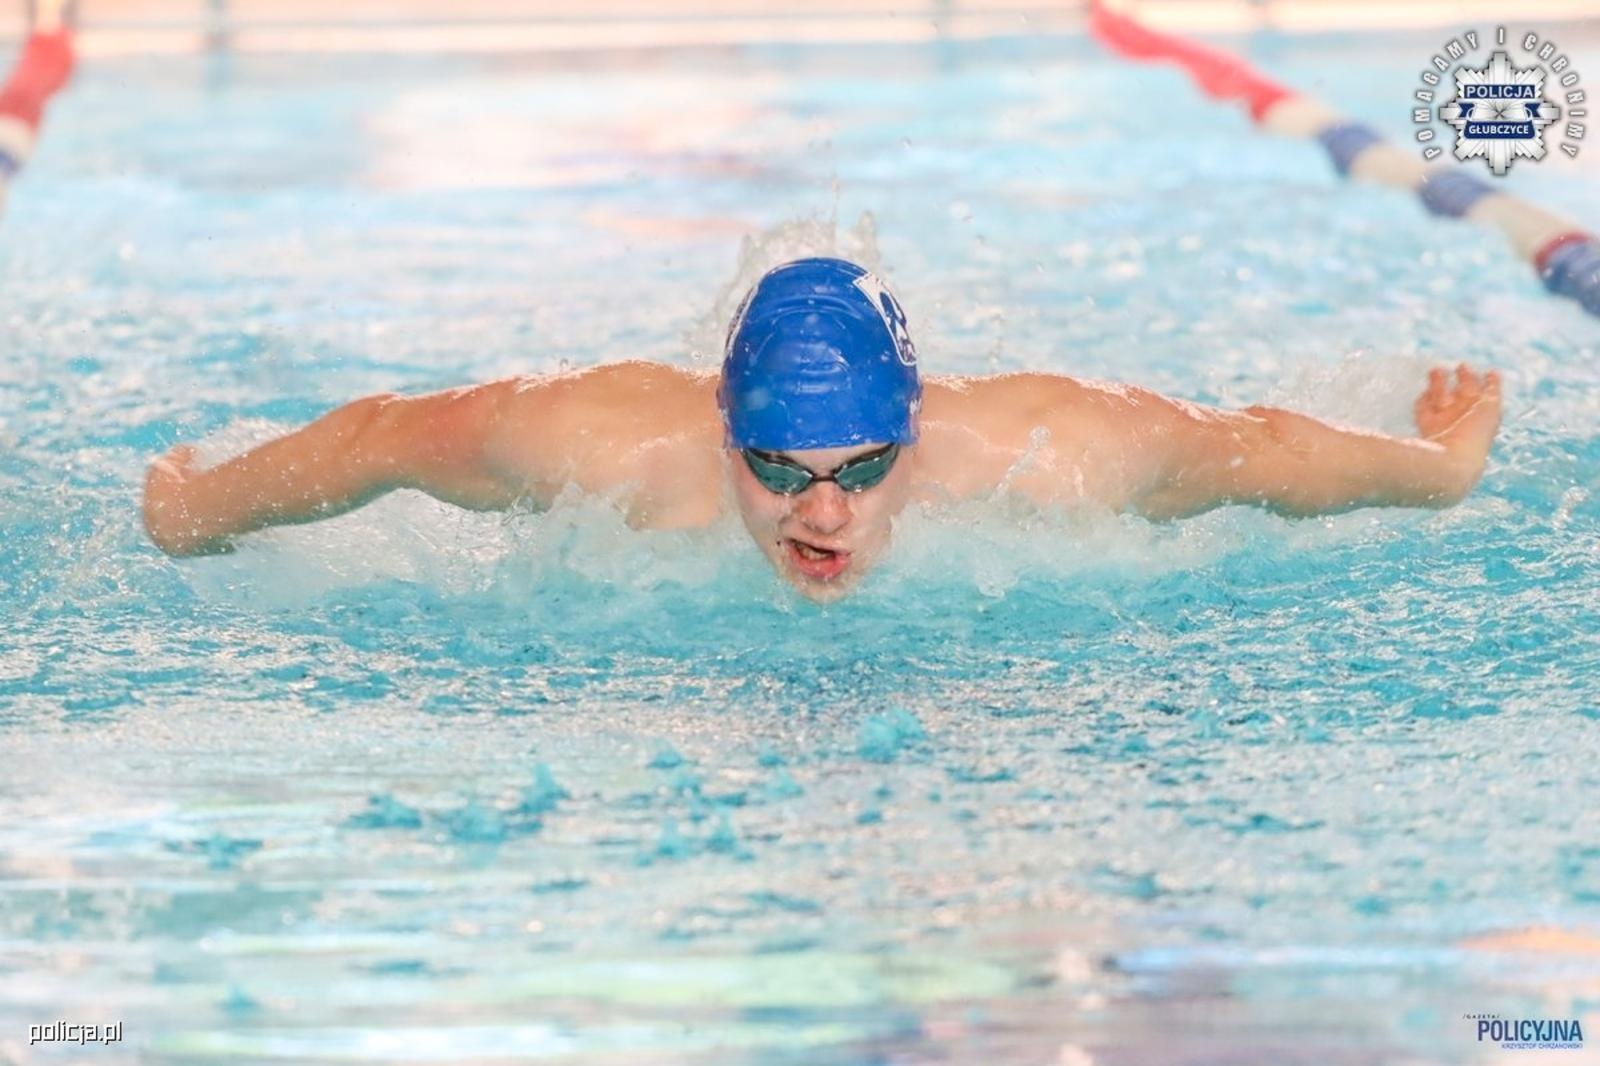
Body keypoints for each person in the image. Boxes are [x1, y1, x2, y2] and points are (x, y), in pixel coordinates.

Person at [142, 257, 1502, 601]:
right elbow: (385, 434)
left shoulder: (1045, 452)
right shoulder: (600, 444)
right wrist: (192, 510)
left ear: (916, 435)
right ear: (720, 428)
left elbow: (1254, 450)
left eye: (861, 473)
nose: (822, 514)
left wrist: (1436, 472)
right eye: (777, 470)